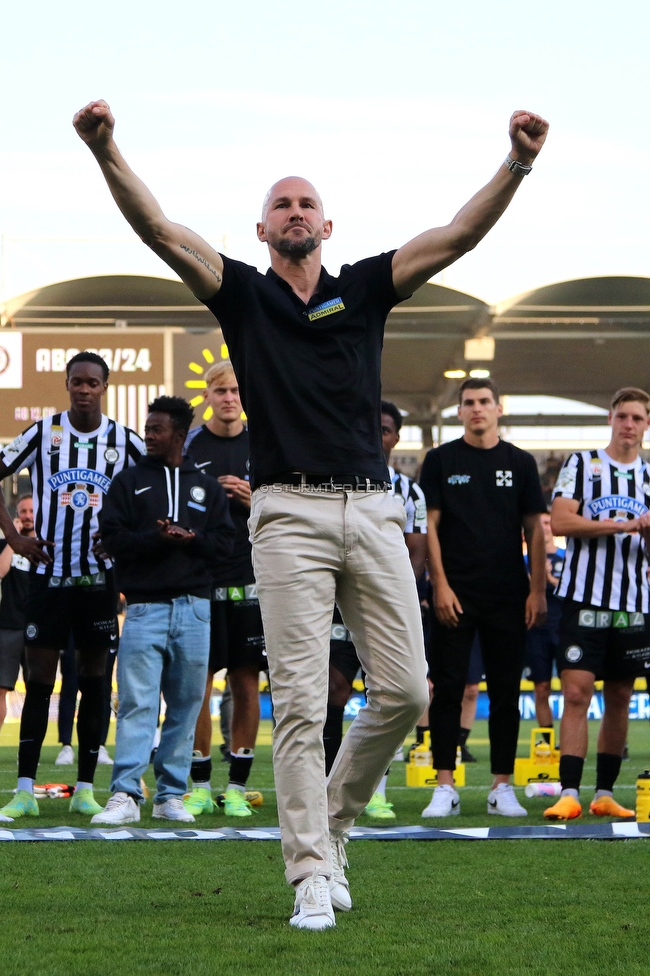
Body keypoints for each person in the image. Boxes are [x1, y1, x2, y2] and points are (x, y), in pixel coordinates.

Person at [73, 97, 548, 929]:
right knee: (300, 700)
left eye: (306, 203)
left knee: (405, 691)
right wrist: (107, 149)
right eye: (280, 205)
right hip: (285, 509)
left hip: (371, 507)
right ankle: (308, 876)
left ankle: (331, 826)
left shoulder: (364, 286)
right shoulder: (245, 294)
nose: (294, 212)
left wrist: (517, 162)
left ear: (328, 223)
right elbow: (160, 230)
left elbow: (458, 235)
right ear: (261, 230)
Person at [0, 352, 145, 821]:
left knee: (94, 681)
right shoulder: (44, 434)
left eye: (93, 383)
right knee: (40, 680)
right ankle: (24, 790)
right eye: (77, 382)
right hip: (48, 577)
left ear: (105, 386)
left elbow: (158, 486)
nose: (84, 389)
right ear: (67, 385)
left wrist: (125, 542)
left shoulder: (123, 440)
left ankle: (85, 788)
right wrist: (15, 538)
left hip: (99, 582)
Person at [90, 396, 234, 825]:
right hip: (144, 608)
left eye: (156, 429)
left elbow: (225, 545)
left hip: (195, 610)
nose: (148, 435)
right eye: (147, 428)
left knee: (188, 702)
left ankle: (171, 794)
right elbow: (111, 538)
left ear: (177, 433)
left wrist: (191, 539)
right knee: (137, 702)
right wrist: (157, 539)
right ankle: (125, 795)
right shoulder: (129, 482)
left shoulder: (206, 487)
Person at [419, 377, 547, 818]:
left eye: (484, 402)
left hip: (509, 595)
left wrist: (536, 589)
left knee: (507, 692)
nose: (477, 409)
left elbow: (535, 528)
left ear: (498, 409)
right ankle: (444, 786)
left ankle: (501, 786)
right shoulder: (439, 460)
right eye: (469, 403)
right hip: (456, 594)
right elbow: (430, 526)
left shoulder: (521, 462)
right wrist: (441, 585)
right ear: (460, 411)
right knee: (448, 689)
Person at [544, 388, 650, 821]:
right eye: (622, 415)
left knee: (621, 694)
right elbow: (562, 520)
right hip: (582, 597)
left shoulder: (648, 476)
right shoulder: (581, 464)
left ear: (646, 425)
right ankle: (568, 791)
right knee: (575, 692)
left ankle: (605, 792)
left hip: (633, 601)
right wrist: (618, 525)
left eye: (637, 418)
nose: (628, 424)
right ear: (610, 418)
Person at [324, 399, 428, 821]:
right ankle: (323, 789)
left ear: (396, 437)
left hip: (383, 600)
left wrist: (398, 594)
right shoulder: (329, 480)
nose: (378, 434)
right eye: (373, 427)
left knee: (397, 693)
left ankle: (376, 789)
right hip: (333, 607)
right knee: (331, 692)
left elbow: (416, 552)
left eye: (386, 429)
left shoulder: (410, 491)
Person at [183, 360, 267, 818]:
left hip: (253, 579)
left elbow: (290, 503)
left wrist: (255, 498)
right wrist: (210, 498)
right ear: (208, 396)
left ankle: (236, 786)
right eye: (222, 391)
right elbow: (175, 505)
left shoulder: (266, 441)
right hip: (203, 580)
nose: (230, 398)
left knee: (246, 682)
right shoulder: (193, 446)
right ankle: (199, 784)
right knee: (198, 684)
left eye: (236, 391)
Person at [525, 511, 565, 731]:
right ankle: (548, 744)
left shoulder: (567, 558)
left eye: (549, 522)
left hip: (562, 629)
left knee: (572, 689)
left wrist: (548, 579)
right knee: (541, 688)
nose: (545, 527)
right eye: (541, 523)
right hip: (536, 631)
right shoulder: (524, 561)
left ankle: (570, 742)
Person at [0, 494, 34, 736]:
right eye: (23, 511)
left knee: (38, 689)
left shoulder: (50, 545)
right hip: (9, 626)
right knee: (1, 689)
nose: (27, 516)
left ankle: (31, 744)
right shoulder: (6, 546)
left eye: (32, 511)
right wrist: (14, 538)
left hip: (39, 627)